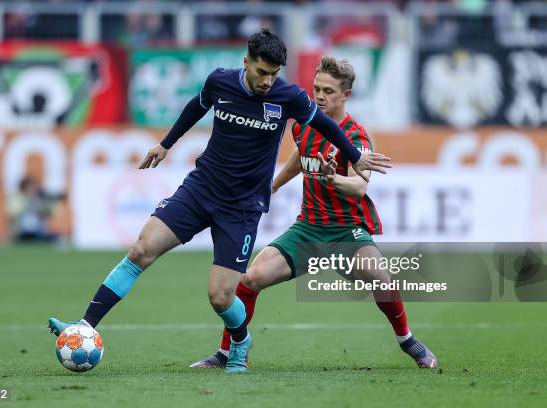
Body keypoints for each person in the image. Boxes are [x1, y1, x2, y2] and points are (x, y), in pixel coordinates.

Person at [47, 28, 391, 373]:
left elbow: (327, 127)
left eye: (274, 74)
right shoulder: (220, 83)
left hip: (241, 207)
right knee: (141, 249)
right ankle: (85, 326)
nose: (267, 81)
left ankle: (240, 339)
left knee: (221, 296)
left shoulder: (289, 98)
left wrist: (353, 155)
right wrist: (166, 143)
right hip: (201, 189)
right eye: (261, 72)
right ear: (246, 63)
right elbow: (195, 107)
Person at [190, 56, 437, 370]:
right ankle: (227, 352)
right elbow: (300, 155)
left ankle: (408, 341)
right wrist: (272, 186)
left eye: (328, 91)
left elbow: (360, 187)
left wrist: (334, 178)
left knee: (380, 276)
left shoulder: (356, 136)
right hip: (307, 230)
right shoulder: (305, 124)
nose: (319, 96)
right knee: (251, 279)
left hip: (346, 231)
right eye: (316, 88)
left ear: (346, 95)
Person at [6, 176, 60, 243]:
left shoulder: (40, 200)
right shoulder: (18, 199)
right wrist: (28, 201)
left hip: (39, 233)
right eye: (30, 188)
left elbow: (52, 213)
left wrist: (44, 203)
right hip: (22, 233)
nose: (33, 190)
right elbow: (12, 213)